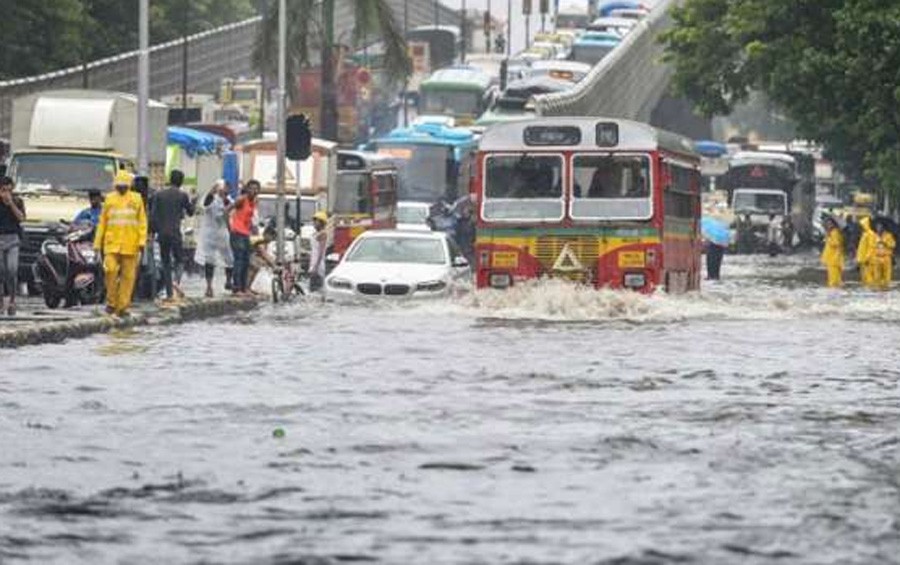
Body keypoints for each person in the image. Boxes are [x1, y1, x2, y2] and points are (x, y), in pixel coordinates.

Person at [94, 171, 147, 317]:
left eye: (124, 186)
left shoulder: (136, 199)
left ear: (129, 185)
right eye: (119, 186)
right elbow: (102, 223)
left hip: (131, 244)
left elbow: (142, 222)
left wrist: (142, 241)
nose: (121, 188)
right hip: (112, 244)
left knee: (128, 278)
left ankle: (122, 307)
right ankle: (111, 302)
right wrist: (97, 244)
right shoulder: (110, 199)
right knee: (110, 270)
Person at [150, 170, 195, 302]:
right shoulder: (182, 196)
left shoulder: (159, 195)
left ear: (170, 179)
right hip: (176, 233)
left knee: (165, 262)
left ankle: (169, 293)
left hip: (162, 234)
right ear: (181, 181)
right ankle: (176, 282)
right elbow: (191, 212)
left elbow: (153, 216)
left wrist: (155, 231)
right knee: (180, 260)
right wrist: (194, 201)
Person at [194, 180, 235, 298]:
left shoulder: (230, 201)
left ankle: (228, 280)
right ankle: (209, 286)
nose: (224, 190)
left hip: (223, 233)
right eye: (222, 188)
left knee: (230, 258)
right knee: (209, 260)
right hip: (209, 234)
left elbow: (230, 212)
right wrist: (211, 193)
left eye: (226, 188)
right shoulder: (211, 198)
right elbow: (205, 205)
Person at [0, 176, 25, 316]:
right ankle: (1, 301)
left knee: (12, 269)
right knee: (1, 271)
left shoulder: (18, 201)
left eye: (9, 190)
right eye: (4, 190)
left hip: (13, 239)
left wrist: (11, 204)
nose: (6, 193)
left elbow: (21, 218)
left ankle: (12, 301)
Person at [229, 180, 260, 295]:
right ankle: (236, 288)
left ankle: (244, 288)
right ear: (247, 189)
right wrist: (230, 228)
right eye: (251, 188)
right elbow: (227, 210)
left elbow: (250, 219)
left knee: (246, 261)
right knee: (239, 260)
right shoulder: (242, 199)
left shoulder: (254, 201)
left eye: (256, 189)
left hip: (246, 233)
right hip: (237, 232)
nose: (254, 191)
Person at [248, 224, 277, 292]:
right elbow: (262, 253)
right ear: (267, 234)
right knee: (255, 264)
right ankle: (246, 287)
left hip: (246, 253)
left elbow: (263, 255)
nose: (271, 241)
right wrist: (273, 265)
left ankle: (248, 287)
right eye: (272, 238)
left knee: (258, 263)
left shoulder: (263, 241)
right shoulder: (260, 239)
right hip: (241, 254)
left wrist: (270, 263)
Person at [871, 218, 896, 290]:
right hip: (876, 258)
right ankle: (878, 289)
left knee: (886, 276)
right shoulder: (874, 236)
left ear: (883, 227)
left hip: (886, 258)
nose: (878, 228)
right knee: (876, 276)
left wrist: (885, 243)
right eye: (877, 226)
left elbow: (893, 245)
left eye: (880, 226)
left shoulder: (888, 235)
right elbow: (872, 247)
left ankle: (886, 288)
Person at [820, 217, 845, 288]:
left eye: (830, 224)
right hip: (831, 260)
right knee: (834, 280)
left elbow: (836, 243)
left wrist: (828, 238)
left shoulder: (834, 232)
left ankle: (834, 295)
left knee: (834, 281)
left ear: (834, 224)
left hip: (834, 260)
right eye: (827, 224)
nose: (828, 225)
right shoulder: (831, 233)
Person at [308, 211, 329, 292]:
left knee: (316, 290)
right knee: (312, 289)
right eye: (314, 220)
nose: (314, 223)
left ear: (321, 222)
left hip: (318, 266)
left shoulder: (323, 234)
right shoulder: (316, 233)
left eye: (316, 221)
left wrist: (315, 267)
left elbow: (321, 252)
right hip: (313, 264)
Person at [856, 216, 876, 288]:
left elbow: (871, 247)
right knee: (864, 279)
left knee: (869, 278)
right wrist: (858, 260)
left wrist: (867, 258)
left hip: (868, 261)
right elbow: (861, 248)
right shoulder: (864, 234)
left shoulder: (871, 234)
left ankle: (871, 292)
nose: (860, 227)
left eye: (861, 225)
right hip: (862, 260)